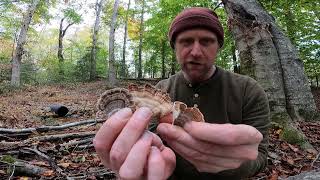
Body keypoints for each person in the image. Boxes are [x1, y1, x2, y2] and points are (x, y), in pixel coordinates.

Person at [93, 7, 270, 180]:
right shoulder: (160, 92)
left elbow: (261, 155)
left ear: (219, 47)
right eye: (186, 41)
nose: (195, 52)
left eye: (206, 41)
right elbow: (152, 143)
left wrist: (233, 167)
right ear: (174, 47)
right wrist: (143, 163)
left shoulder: (249, 90)